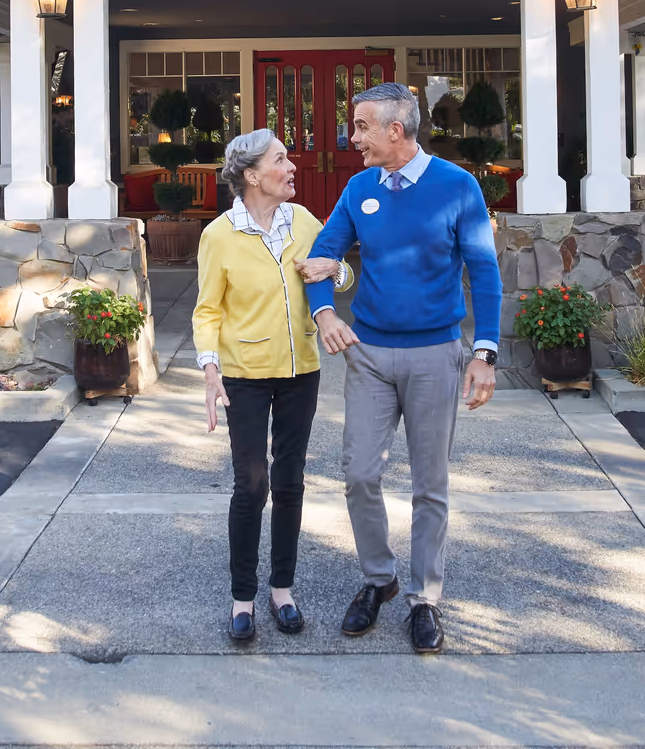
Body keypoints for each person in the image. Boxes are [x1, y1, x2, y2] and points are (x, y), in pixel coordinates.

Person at [297, 81, 502, 655]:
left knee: (429, 483)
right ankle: (379, 579)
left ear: (396, 129)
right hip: (368, 355)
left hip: (437, 354)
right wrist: (324, 316)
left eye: (361, 126)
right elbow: (322, 260)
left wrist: (484, 353)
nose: (351, 137)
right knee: (360, 473)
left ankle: (424, 597)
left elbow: (484, 271)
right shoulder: (359, 187)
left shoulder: (458, 186)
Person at [193, 128, 352, 644]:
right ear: (251, 175)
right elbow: (208, 309)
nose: (292, 167)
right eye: (281, 160)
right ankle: (243, 598)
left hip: (301, 370)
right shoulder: (219, 235)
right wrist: (210, 369)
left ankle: (282, 590)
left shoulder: (303, 221)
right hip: (244, 374)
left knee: (289, 483)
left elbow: (337, 272)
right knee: (252, 485)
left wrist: (337, 270)